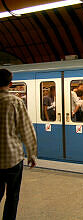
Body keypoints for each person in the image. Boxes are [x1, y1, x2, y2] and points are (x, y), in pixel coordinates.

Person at [0, 69, 37, 220]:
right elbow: (26, 130)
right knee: (12, 196)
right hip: (13, 159)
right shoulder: (15, 102)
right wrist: (32, 154)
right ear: (10, 84)